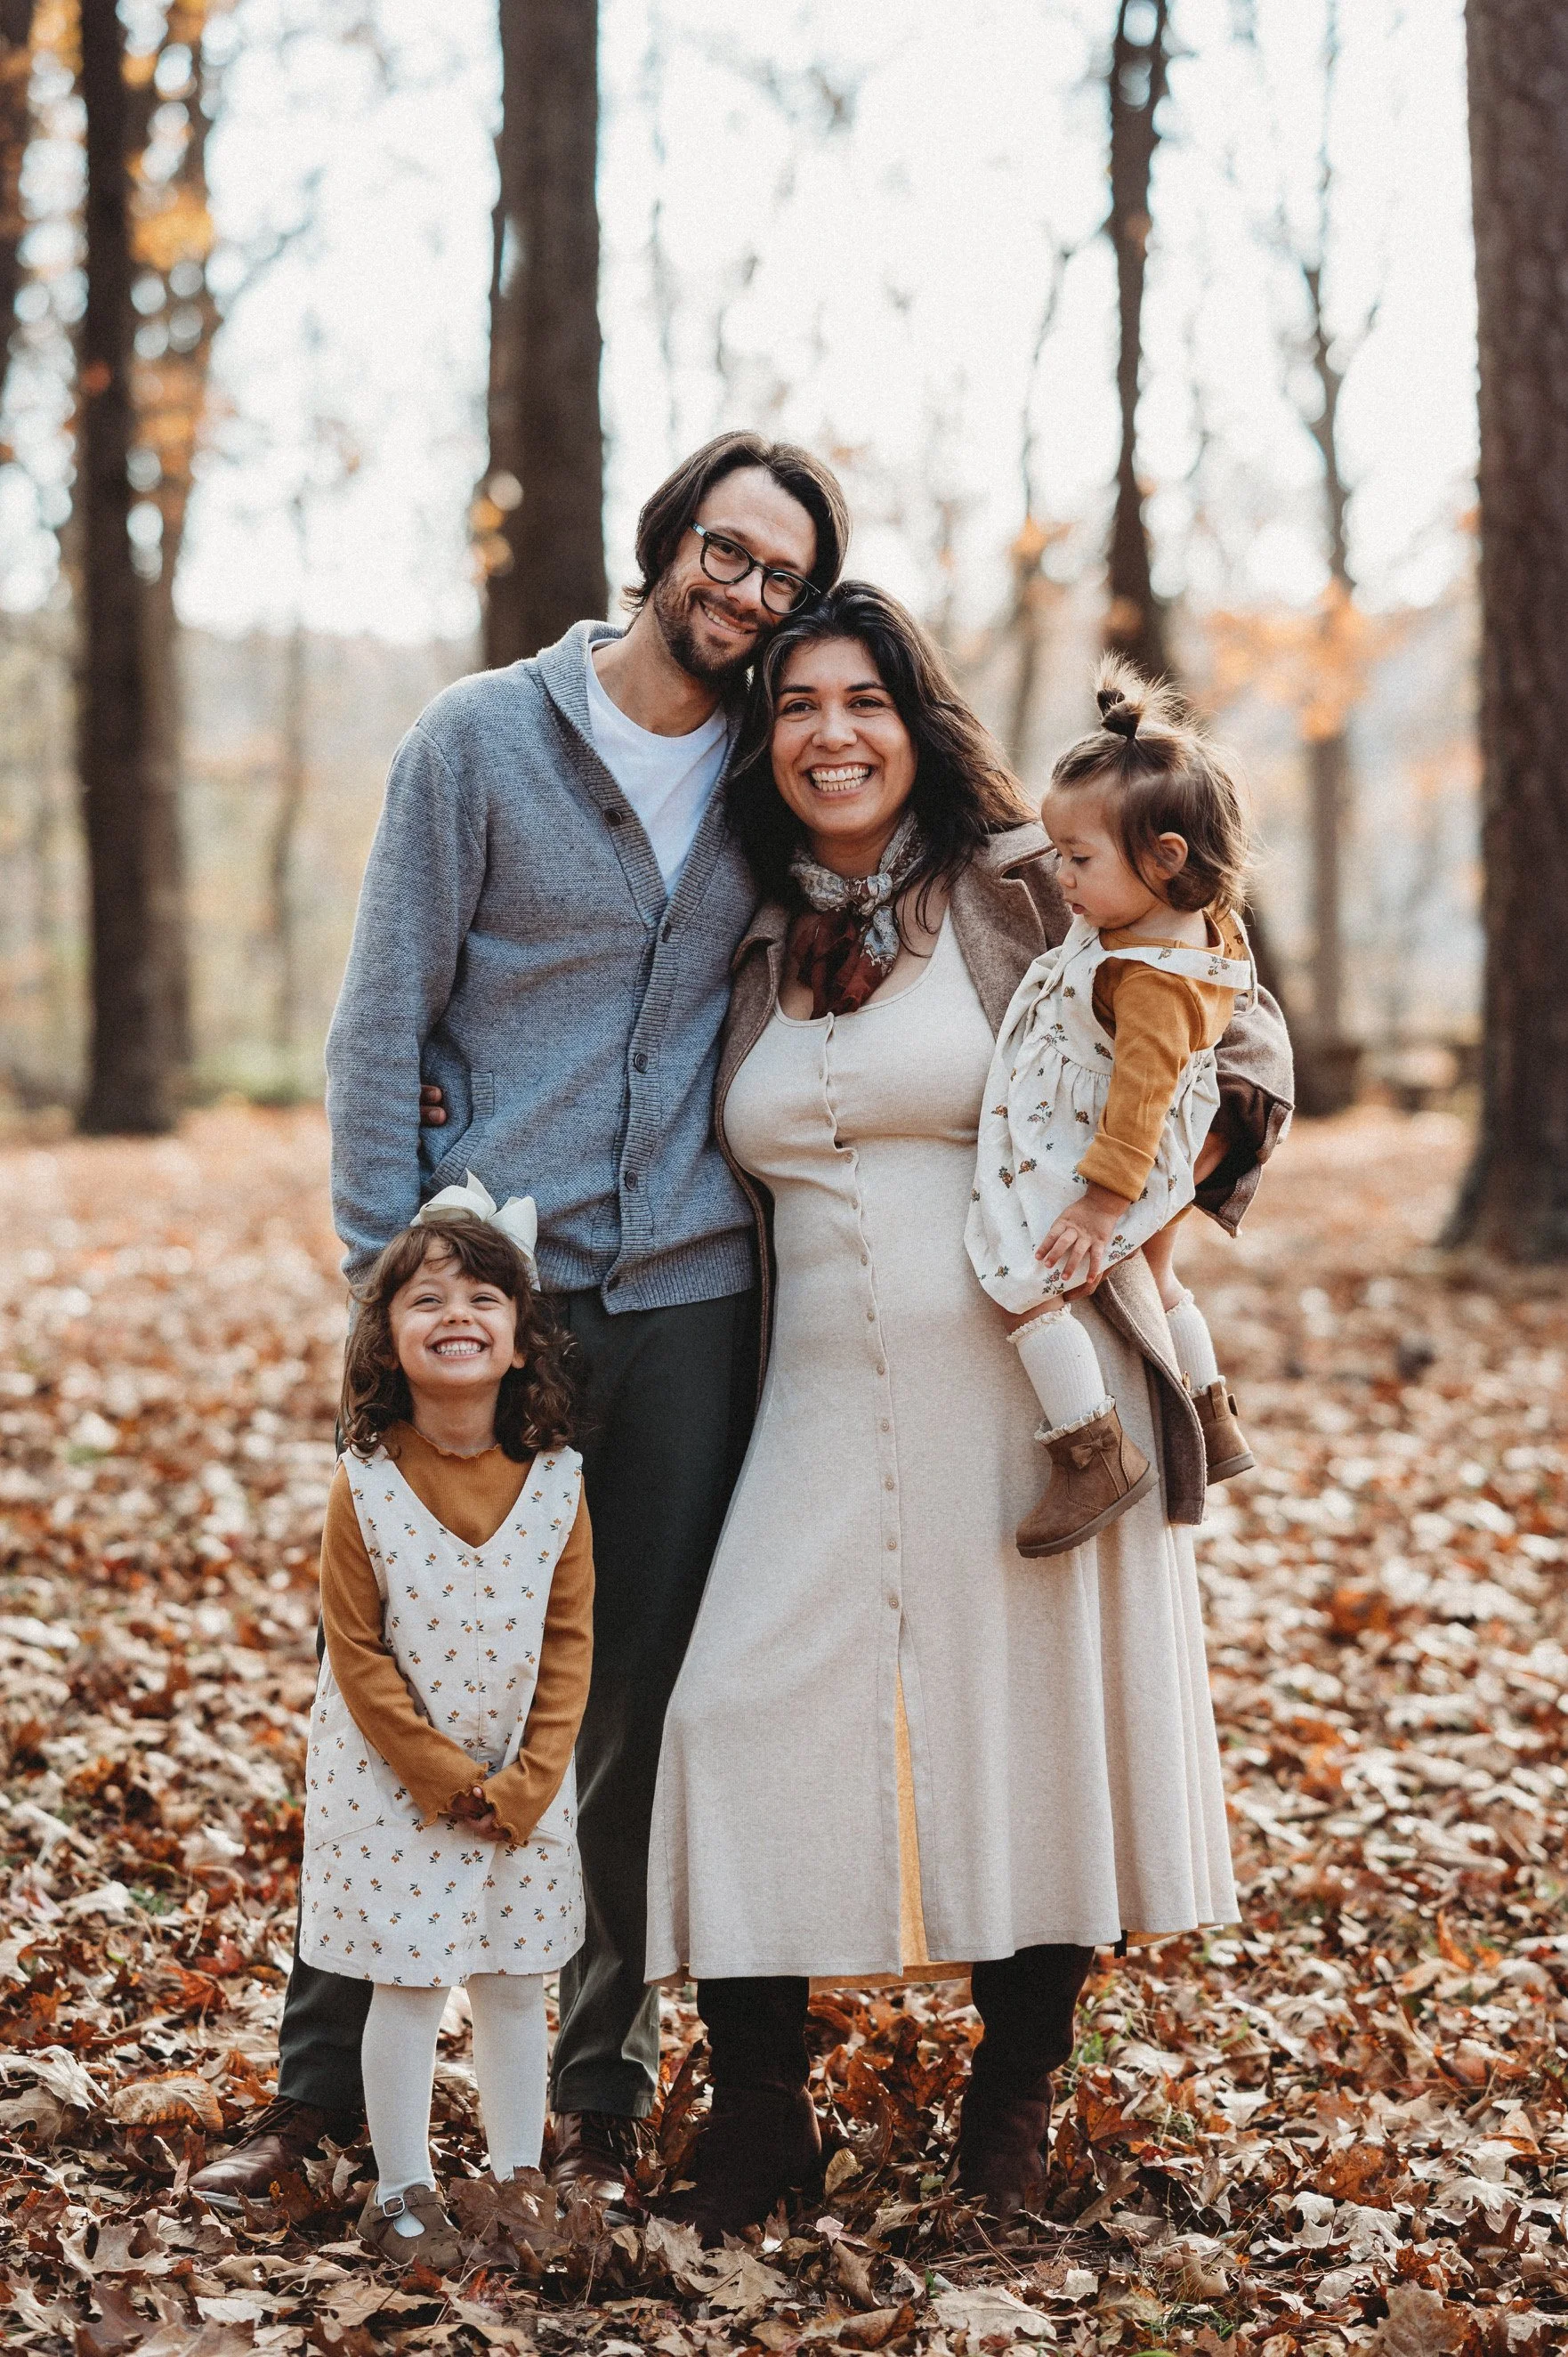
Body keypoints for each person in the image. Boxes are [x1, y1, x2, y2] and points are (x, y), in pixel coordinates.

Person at [191, 433, 852, 2214]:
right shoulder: (478, 739)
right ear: (666, 543)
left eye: (780, 576)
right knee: (411, 1682)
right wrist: (382, 1280)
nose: (744, 592)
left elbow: (945, 854)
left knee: (629, 1691)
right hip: (495, 1290)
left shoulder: (768, 773)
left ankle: (596, 2085)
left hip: (693, 1291)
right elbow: (376, 1018)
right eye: (727, 551)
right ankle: (325, 2087)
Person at [643, 583, 1293, 2234]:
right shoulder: (743, 927)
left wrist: (1152, 1194)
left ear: (912, 719)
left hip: (1036, 1391)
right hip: (808, 1394)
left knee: (1039, 1729)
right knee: (729, 1713)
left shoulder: (1025, 881)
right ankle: (762, 2118)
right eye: (796, 706)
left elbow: (1238, 1019)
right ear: (762, 737)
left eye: (862, 699)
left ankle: (1008, 2104)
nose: (830, 733)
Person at [302, 1187, 589, 2270]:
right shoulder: (365, 1484)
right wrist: (435, 1773)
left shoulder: (557, 1483)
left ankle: (518, 2175)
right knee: (411, 1981)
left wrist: (525, 1778)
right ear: (387, 1335)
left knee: (516, 1980)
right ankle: (406, 2188)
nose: (455, 1312)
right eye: (427, 1297)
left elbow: (569, 1645)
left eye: (482, 1294)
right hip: (393, 1785)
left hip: (523, 1778)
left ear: (521, 1339)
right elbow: (357, 1652)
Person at [966, 656, 1257, 1561]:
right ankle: (1209, 1417)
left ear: (1164, 860)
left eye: (1077, 858)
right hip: (1153, 1154)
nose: (1059, 874)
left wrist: (1096, 1204)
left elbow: (1136, 1102)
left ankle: (1092, 1450)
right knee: (1165, 1279)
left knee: (1020, 1281)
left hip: (1110, 1155)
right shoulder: (1178, 925)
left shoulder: (1149, 981)